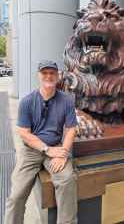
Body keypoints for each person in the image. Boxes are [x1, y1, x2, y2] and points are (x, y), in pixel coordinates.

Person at [4, 60, 78, 224]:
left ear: (58, 76)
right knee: (16, 195)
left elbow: (71, 129)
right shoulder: (27, 101)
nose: (48, 76)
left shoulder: (67, 101)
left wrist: (63, 153)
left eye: (52, 73)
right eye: (44, 73)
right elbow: (23, 133)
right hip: (31, 151)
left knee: (66, 180)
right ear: (38, 76)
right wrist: (46, 149)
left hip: (56, 149)